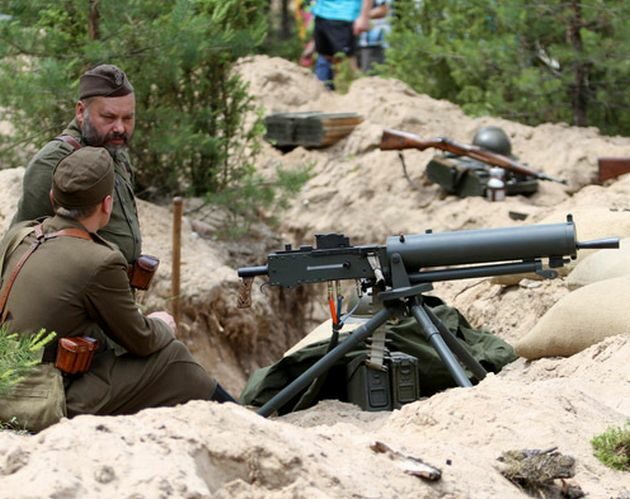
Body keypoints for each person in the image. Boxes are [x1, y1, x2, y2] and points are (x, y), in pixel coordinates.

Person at [0, 147, 236, 422]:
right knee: (172, 357)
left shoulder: (20, 234)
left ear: (53, 198)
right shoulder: (100, 259)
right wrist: (162, 324)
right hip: (40, 398)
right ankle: (244, 421)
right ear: (107, 205)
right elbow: (142, 341)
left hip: (6, 378)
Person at [10, 64, 141, 265]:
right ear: (81, 111)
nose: (120, 128)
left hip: (113, 287)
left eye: (128, 118)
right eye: (109, 117)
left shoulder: (116, 152)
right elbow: (21, 244)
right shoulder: (55, 161)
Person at [311, 0, 374, 89]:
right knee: (327, 57)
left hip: (344, 15)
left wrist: (364, 17)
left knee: (346, 60)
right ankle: (334, 95)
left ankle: (358, 93)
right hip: (321, 13)